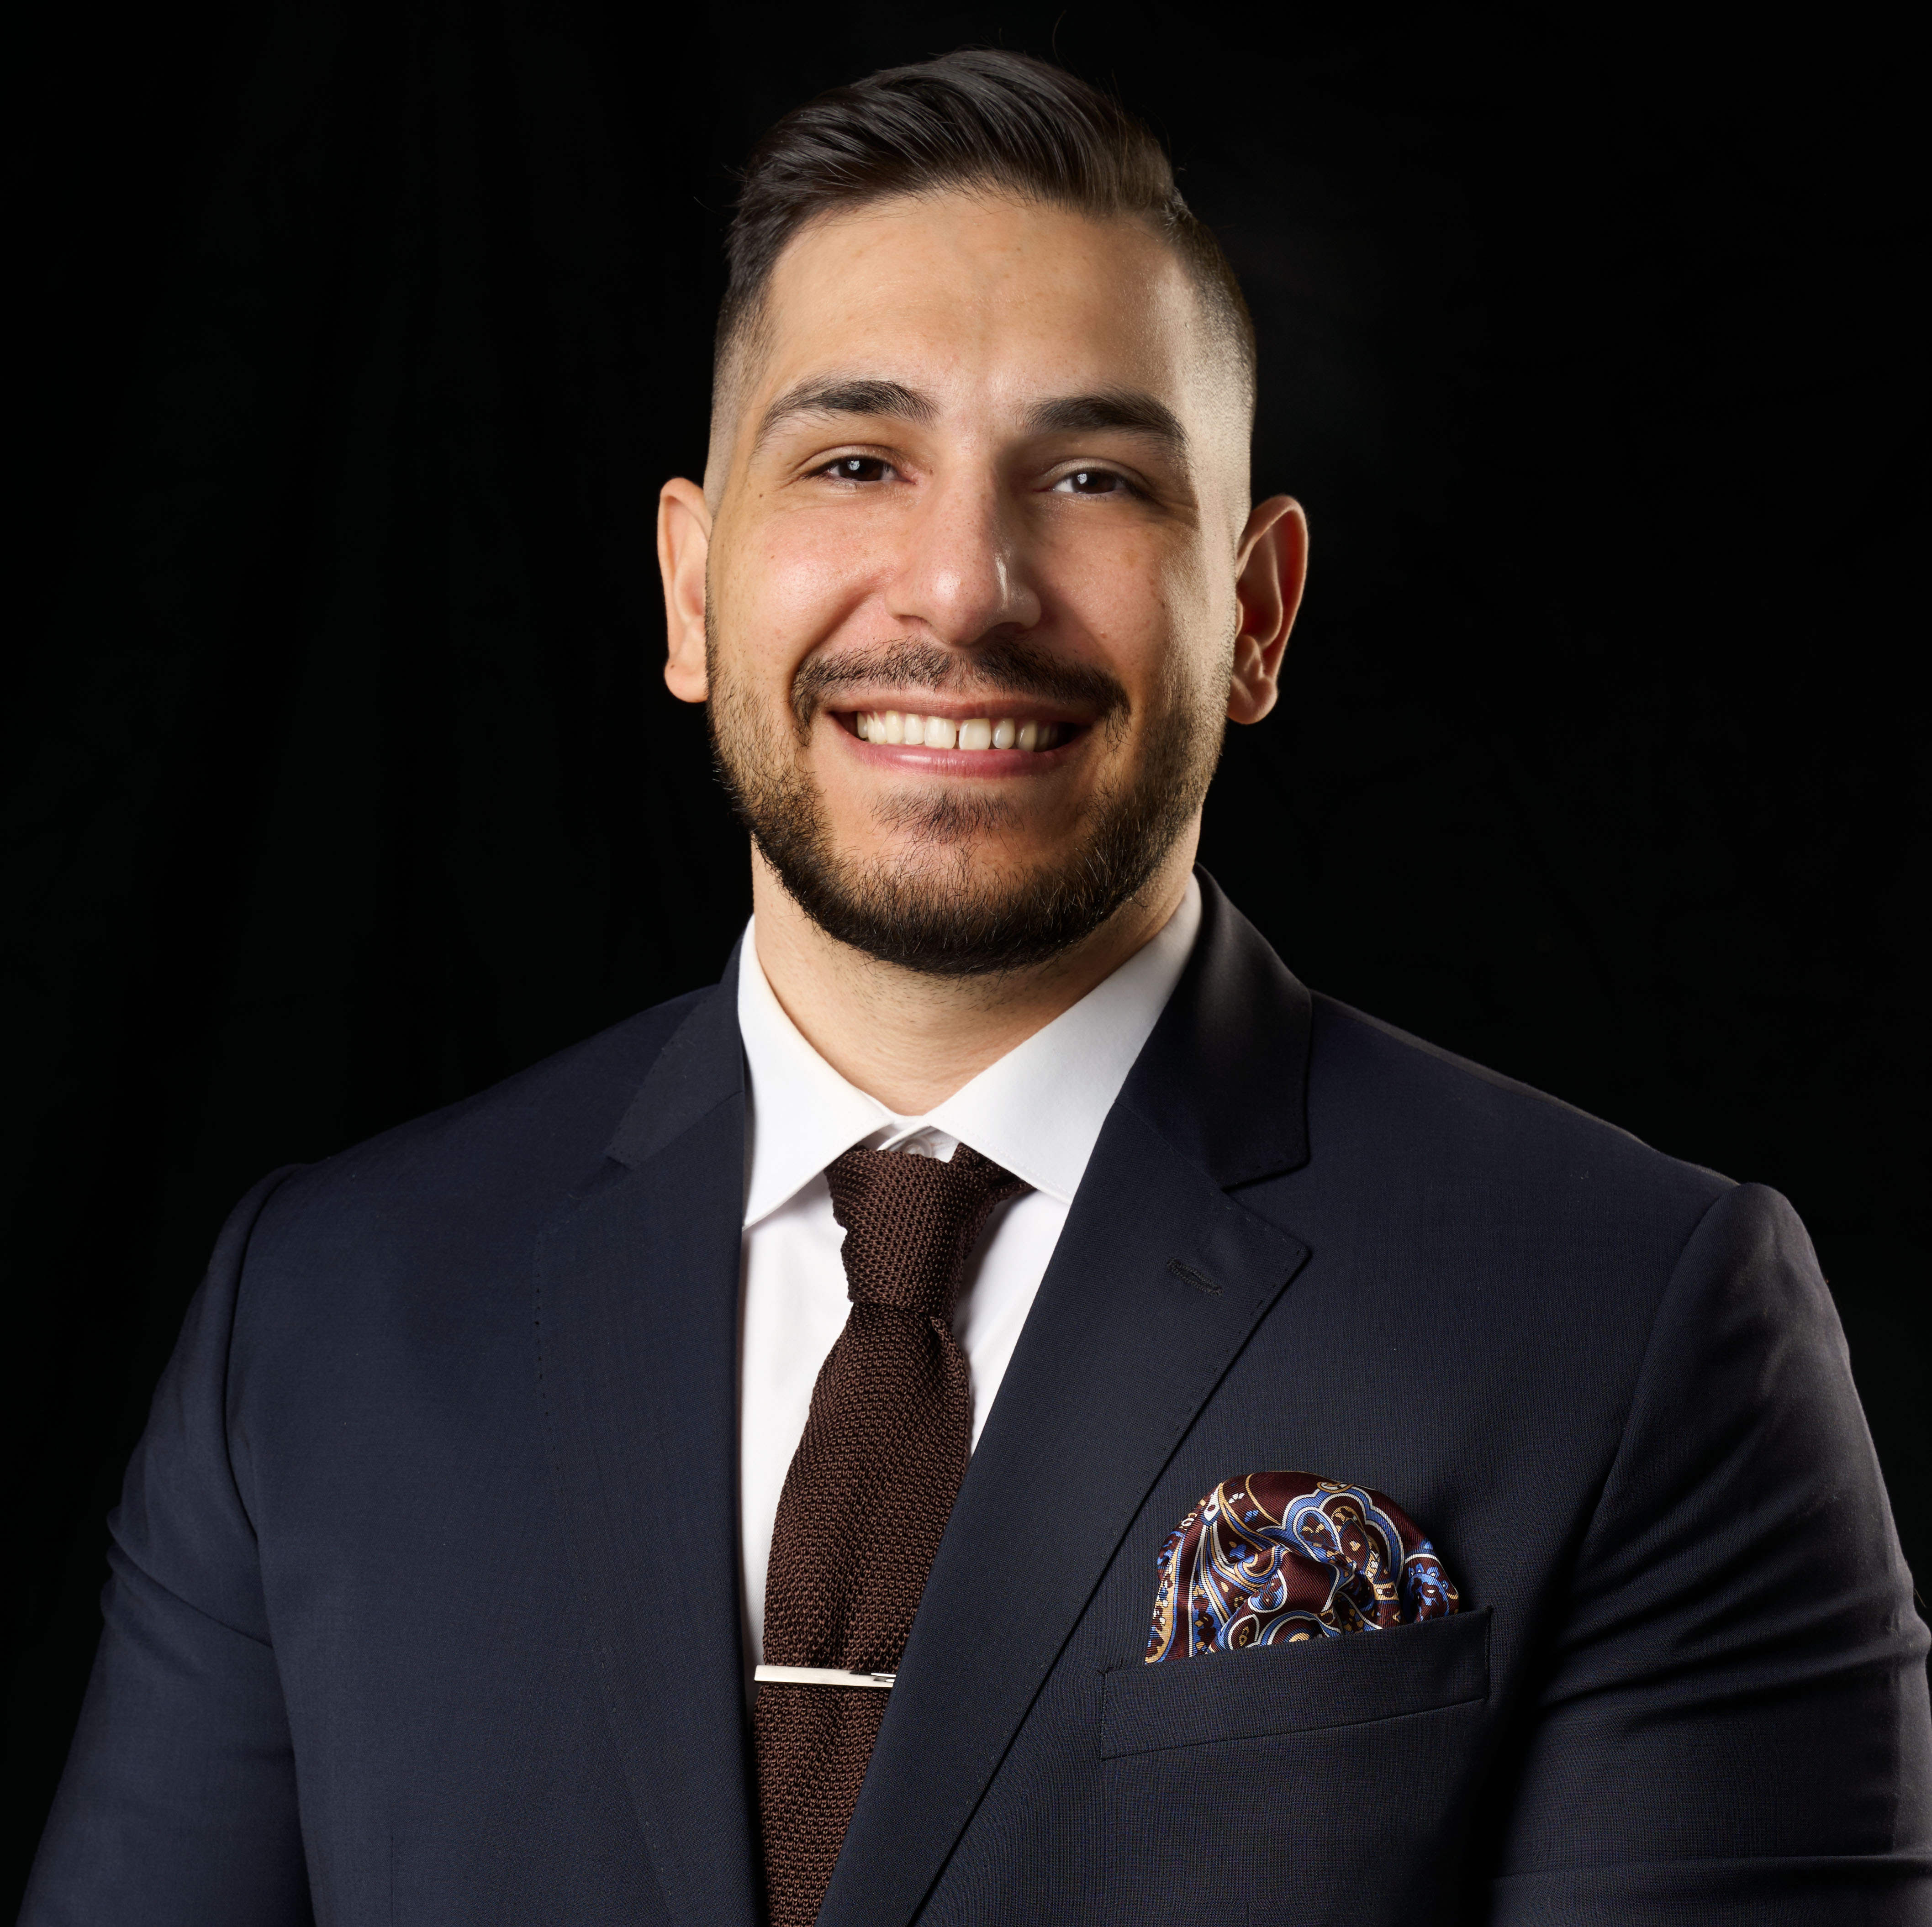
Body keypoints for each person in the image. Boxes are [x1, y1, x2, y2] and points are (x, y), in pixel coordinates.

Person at [23, 49, 1930, 1927]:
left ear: (1254, 613)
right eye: (856, 461)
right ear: (691, 589)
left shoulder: (1630, 1317)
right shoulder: (324, 1315)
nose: (961, 586)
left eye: (1092, 475)